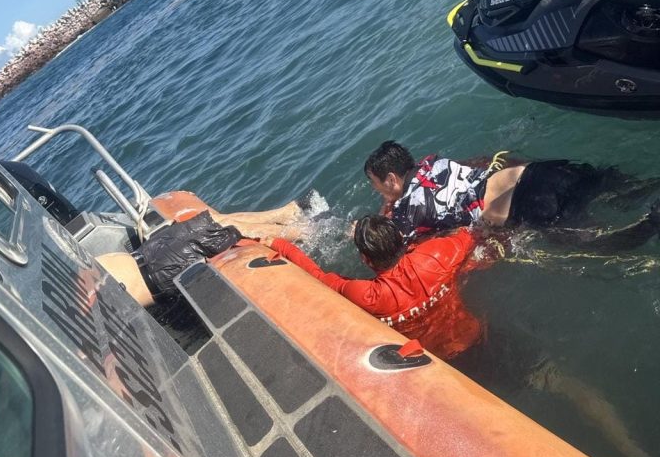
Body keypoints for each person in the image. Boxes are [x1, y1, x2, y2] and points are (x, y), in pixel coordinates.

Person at [364, 140, 660, 251]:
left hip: (529, 204)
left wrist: (384, 210)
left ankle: (652, 223)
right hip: (539, 172)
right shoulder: (432, 162)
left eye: (375, 183)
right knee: (624, 187)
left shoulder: (408, 211)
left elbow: (388, 245)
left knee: (596, 243)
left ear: (391, 179)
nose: (375, 189)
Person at [264, 214, 482, 360]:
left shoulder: (366, 295)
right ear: (400, 237)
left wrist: (278, 244)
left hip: (434, 361)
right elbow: (474, 232)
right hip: (474, 337)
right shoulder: (437, 255)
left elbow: (316, 276)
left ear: (365, 259)